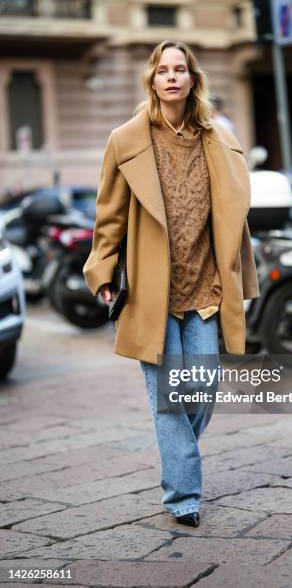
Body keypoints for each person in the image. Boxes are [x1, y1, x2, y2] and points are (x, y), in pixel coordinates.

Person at [82, 40, 260, 529]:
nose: (172, 77)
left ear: (193, 78)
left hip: (205, 288)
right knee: (169, 397)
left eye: (180, 69)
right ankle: (183, 494)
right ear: (152, 80)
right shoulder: (127, 140)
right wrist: (102, 270)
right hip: (150, 290)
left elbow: (233, 217)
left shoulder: (216, 140)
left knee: (202, 392)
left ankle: (178, 460)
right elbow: (109, 214)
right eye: (164, 70)